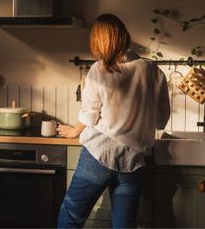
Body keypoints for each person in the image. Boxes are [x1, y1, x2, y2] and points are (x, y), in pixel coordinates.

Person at [56, 13, 170, 229]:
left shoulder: (99, 69)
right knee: (125, 225)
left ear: (100, 41)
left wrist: (74, 131)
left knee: (71, 217)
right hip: (134, 160)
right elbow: (161, 118)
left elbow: (90, 114)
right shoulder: (152, 69)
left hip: (99, 155)